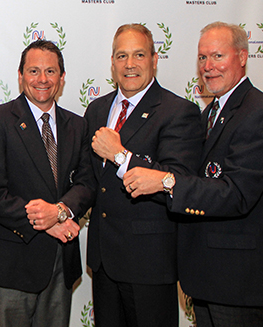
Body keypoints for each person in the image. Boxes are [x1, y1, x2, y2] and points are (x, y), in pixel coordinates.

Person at [124, 22, 263, 327]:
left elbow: (235, 194)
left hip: (238, 281)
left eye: (217, 56)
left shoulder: (261, 114)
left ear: (242, 57)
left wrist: (165, 181)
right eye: (202, 58)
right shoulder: (210, 114)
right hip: (207, 277)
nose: (208, 67)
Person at [83, 24, 204, 327]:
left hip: (149, 262)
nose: (130, 64)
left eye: (139, 54)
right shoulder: (97, 110)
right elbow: (88, 178)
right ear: (112, 63)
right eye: (121, 56)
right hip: (103, 260)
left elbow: (177, 178)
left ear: (154, 59)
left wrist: (119, 155)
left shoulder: (178, 111)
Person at [0, 40, 95, 327]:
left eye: (50, 71)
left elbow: (88, 182)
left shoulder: (77, 125)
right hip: (13, 260)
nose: (42, 79)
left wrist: (62, 210)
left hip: (60, 265)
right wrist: (46, 220)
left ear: (62, 78)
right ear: (20, 75)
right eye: (34, 71)